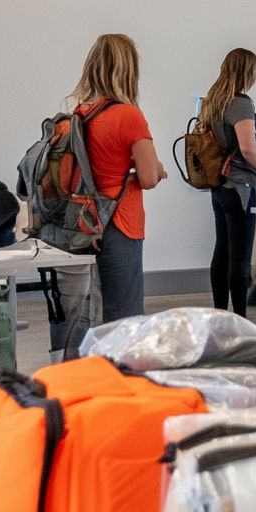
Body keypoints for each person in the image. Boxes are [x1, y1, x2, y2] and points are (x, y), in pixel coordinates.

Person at [70, 33, 167, 322]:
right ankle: (120, 367)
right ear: (129, 69)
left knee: (95, 308)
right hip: (121, 221)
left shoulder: (82, 111)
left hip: (88, 220)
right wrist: (157, 168)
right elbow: (149, 178)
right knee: (125, 314)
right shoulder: (128, 115)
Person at [201, 48, 256, 317]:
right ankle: (240, 318)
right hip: (241, 186)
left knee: (221, 251)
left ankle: (220, 314)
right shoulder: (241, 103)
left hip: (219, 185)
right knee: (240, 257)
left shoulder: (213, 102)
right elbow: (248, 149)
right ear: (247, 72)